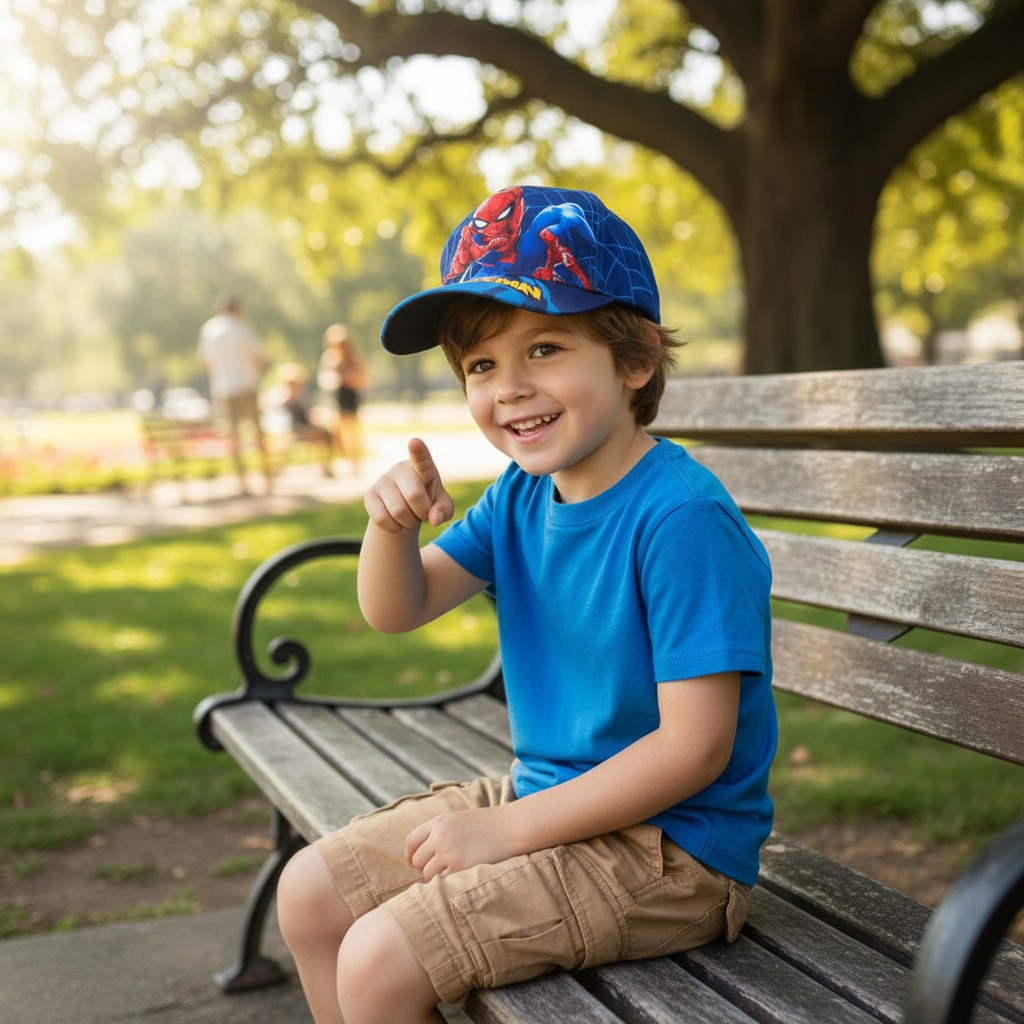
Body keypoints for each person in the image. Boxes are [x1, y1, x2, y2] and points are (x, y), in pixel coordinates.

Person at [277, 185, 776, 1024]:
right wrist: (390, 528)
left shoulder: (680, 517)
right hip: (549, 799)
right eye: (480, 365)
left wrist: (506, 834)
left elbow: (695, 749)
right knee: (310, 895)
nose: (508, 388)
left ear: (635, 359)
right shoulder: (518, 498)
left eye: (543, 347)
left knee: (377, 959)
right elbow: (397, 608)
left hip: (674, 855)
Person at [197, 295, 273, 493]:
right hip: (247, 386)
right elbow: (259, 356)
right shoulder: (243, 328)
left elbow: (206, 362)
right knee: (257, 433)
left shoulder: (210, 330)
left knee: (233, 437)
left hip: (224, 388)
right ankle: (266, 476)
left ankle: (242, 481)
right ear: (236, 309)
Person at [318, 323, 368, 470]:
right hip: (334, 398)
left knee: (351, 431)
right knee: (335, 432)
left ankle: (354, 462)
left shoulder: (354, 359)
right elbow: (324, 379)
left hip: (350, 397)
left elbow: (363, 380)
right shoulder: (329, 359)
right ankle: (332, 463)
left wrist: (348, 377)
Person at [275, 363, 335, 476]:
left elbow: (308, 414)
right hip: (298, 430)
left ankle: (324, 465)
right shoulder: (288, 399)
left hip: (306, 427)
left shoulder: (301, 397)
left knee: (326, 434)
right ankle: (324, 465)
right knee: (324, 434)